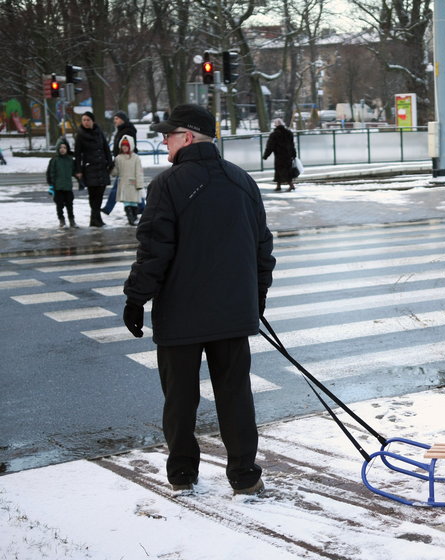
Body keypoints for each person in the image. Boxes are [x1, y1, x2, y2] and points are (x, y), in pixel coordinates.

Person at [122, 104, 276, 495]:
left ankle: (182, 474)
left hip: (181, 318)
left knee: (180, 400)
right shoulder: (242, 181)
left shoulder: (168, 184)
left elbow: (154, 250)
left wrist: (135, 299)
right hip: (232, 316)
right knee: (235, 397)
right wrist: (254, 302)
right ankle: (244, 475)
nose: (164, 141)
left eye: (168, 135)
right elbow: (262, 250)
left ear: (187, 137)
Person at [73, 111, 112, 227]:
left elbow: (106, 148)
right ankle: (95, 219)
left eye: (88, 120)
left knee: (100, 194)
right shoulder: (80, 135)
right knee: (93, 195)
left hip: (101, 167)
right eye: (84, 120)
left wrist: (109, 162)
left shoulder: (99, 132)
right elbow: (78, 154)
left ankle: (95, 219)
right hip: (89, 168)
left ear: (93, 121)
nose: (86, 122)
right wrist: (78, 170)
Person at [103, 110, 140, 216]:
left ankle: (108, 208)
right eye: (114, 118)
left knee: (120, 186)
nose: (115, 121)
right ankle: (141, 207)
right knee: (123, 186)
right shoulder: (121, 130)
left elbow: (128, 147)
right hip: (122, 160)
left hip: (127, 161)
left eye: (117, 118)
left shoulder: (128, 131)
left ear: (122, 120)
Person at [110, 135, 144, 226]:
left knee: (134, 202)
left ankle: (134, 216)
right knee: (127, 203)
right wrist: (111, 168)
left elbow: (139, 172)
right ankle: (130, 219)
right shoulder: (118, 158)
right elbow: (115, 172)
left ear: (130, 146)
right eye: (123, 145)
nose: (124, 147)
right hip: (124, 184)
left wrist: (139, 184)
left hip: (133, 184)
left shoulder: (136, 158)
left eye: (126, 145)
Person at [46, 138, 78, 228]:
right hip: (58, 187)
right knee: (59, 206)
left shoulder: (70, 160)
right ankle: (61, 220)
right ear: (57, 149)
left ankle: (72, 220)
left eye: (64, 147)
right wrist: (51, 184)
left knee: (70, 205)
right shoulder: (54, 160)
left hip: (68, 187)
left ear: (67, 149)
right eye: (60, 147)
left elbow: (74, 171)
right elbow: (50, 173)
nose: (62, 149)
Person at [263, 119, 297, 192]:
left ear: (275, 125)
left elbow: (270, 146)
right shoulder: (289, 133)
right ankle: (279, 185)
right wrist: (294, 154)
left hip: (279, 155)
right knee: (287, 170)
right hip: (288, 155)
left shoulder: (274, 134)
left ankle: (291, 185)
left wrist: (266, 155)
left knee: (279, 170)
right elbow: (292, 145)